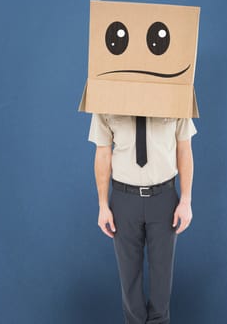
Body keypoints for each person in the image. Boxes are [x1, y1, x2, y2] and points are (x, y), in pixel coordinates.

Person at [88, 113, 197, 324]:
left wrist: (186, 200)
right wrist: (102, 205)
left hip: (164, 198)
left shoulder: (174, 94)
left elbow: (184, 148)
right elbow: (103, 152)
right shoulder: (106, 98)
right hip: (124, 199)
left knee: (162, 278)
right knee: (129, 279)